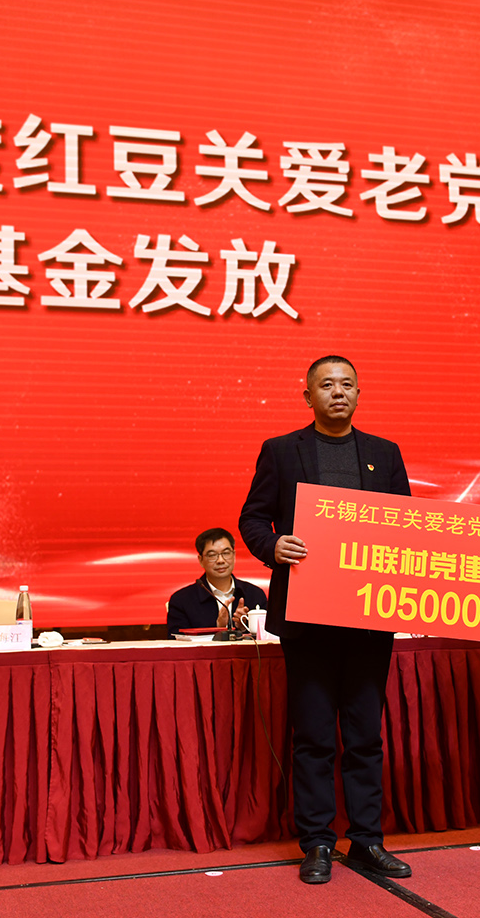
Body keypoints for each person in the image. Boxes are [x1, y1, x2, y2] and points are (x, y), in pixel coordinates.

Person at [239, 355, 413, 885]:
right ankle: (316, 842)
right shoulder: (281, 450)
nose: (338, 392)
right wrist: (273, 546)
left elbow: (408, 526)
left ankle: (367, 841)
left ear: (359, 393)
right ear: (308, 395)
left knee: (365, 737)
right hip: (307, 618)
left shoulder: (384, 453)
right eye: (327, 385)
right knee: (313, 736)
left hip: (368, 617)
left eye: (347, 385)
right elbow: (252, 518)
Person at [165, 528, 269, 634]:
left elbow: (268, 636)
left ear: (234, 555)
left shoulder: (255, 594)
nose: (220, 560)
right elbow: (176, 640)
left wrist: (243, 628)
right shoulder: (181, 600)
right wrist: (218, 628)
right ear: (201, 560)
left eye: (226, 553)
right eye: (212, 555)